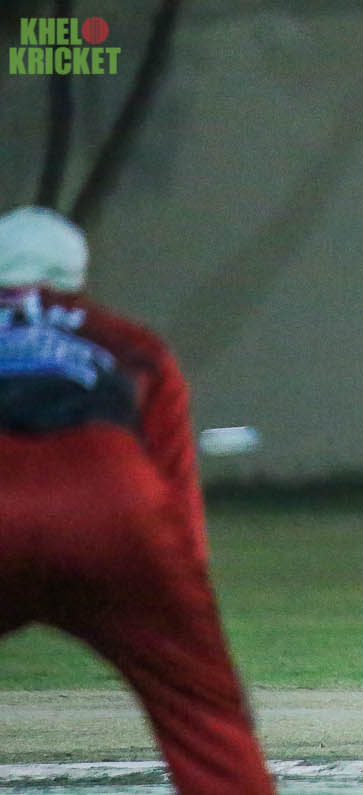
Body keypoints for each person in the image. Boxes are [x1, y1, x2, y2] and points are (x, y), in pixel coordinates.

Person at [0, 206, 276, 793]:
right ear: (78, 278)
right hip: (109, 504)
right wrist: (198, 646)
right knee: (207, 723)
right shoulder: (135, 347)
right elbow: (176, 503)